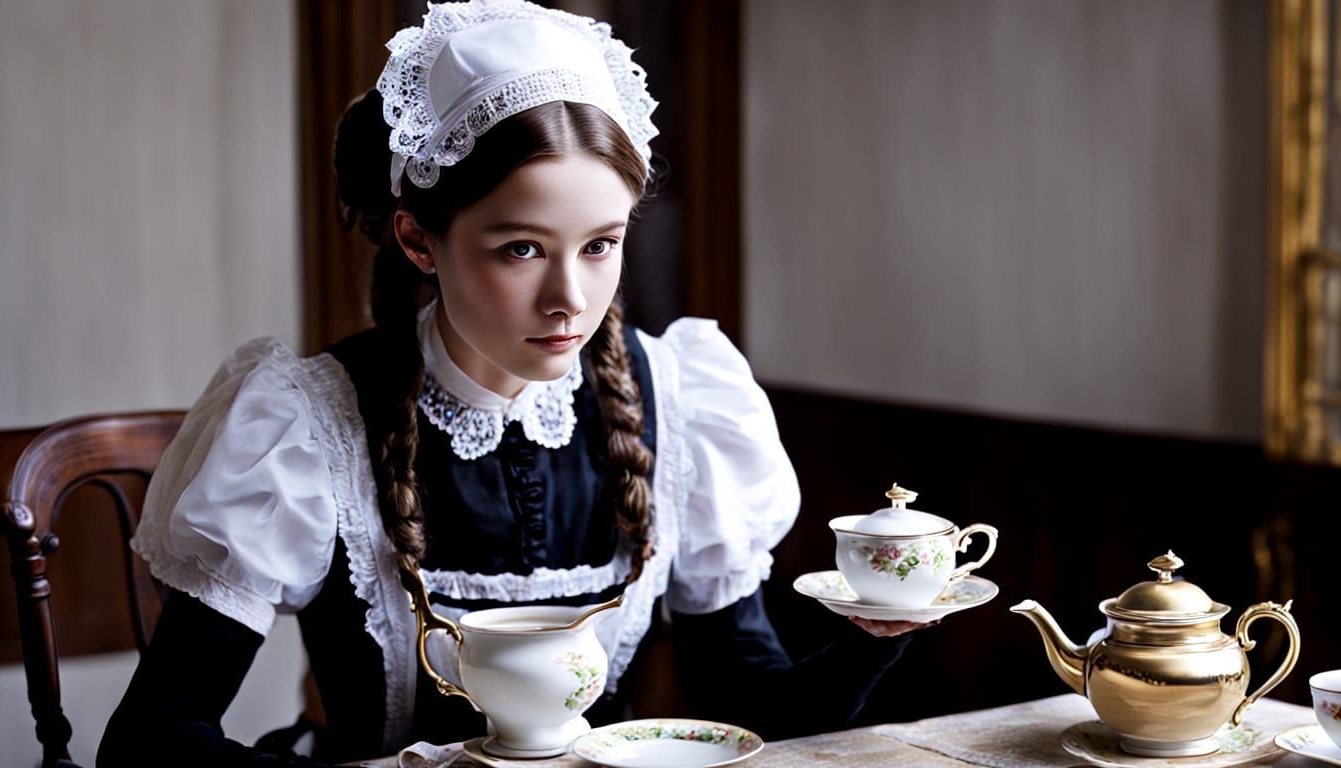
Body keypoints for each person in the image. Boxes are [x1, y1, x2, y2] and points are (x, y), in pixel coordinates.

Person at [98, 1, 931, 765]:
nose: (571, 297)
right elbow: (153, 737)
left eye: (600, 244)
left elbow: (751, 702)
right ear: (419, 241)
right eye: (522, 249)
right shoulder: (310, 424)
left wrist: (876, 631)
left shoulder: (679, 400)